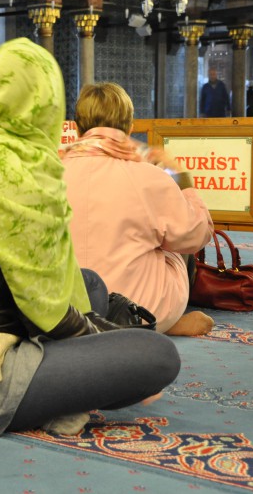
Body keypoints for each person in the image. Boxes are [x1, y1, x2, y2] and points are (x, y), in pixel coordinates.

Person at [0, 38, 180, 437]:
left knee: (89, 283)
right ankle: (59, 402)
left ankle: (60, 396)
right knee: (156, 356)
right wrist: (116, 349)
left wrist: (100, 339)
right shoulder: (13, 175)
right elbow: (44, 309)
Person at [61, 82, 216, 336]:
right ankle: (160, 323)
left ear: (77, 129)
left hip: (62, 310)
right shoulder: (149, 176)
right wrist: (181, 179)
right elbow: (198, 234)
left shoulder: (49, 172)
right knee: (179, 237)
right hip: (138, 308)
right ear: (130, 128)